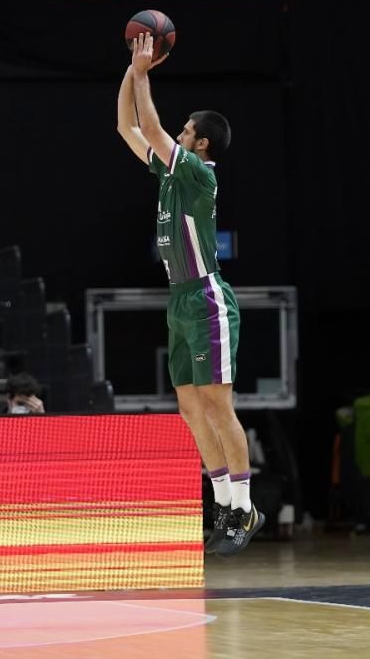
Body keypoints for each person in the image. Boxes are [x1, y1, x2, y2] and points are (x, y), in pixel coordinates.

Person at [116, 33, 263, 557]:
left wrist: (144, 71)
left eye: (186, 131)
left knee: (219, 406)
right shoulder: (169, 171)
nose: (176, 135)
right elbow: (127, 127)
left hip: (206, 297)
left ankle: (245, 508)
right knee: (189, 406)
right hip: (178, 298)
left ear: (200, 143)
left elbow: (151, 127)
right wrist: (131, 73)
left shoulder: (198, 173)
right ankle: (223, 503)